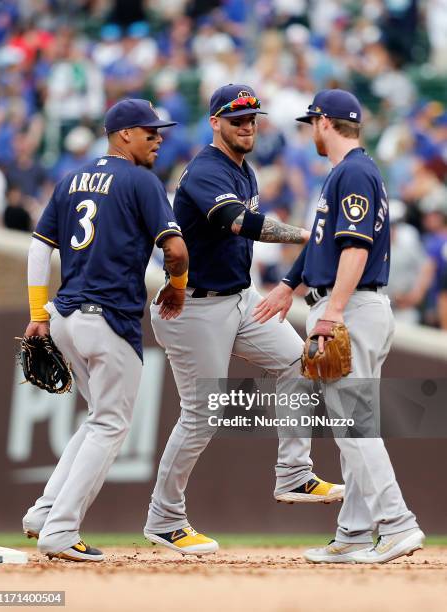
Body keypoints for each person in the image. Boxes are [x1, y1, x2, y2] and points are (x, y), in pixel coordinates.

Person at [143, 84, 344, 557]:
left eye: (252, 117)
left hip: (238, 299)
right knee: (201, 416)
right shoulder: (206, 171)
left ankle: (294, 475)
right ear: (215, 123)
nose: (247, 125)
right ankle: (164, 519)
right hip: (192, 305)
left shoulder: (243, 167)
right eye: (237, 119)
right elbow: (240, 223)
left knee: (300, 361)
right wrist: (308, 237)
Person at [254, 89, 425, 564]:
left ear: (325, 122)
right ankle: (352, 532)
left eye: (312, 122)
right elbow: (324, 245)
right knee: (352, 424)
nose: (310, 130)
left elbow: (355, 248)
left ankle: (397, 523)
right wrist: (289, 285)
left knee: (354, 426)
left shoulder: (353, 171)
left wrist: (332, 311)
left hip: (352, 305)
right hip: (353, 304)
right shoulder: (349, 172)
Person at [22, 98, 189, 562]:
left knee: (98, 416)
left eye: (159, 131)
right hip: (108, 316)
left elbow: (39, 250)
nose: (158, 137)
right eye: (148, 131)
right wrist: (177, 287)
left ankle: (44, 511)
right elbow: (175, 250)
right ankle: (61, 530)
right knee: (112, 423)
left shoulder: (70, 178)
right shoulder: (140, 180)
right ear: (122, 135)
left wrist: (37, 313)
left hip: (63, 317)